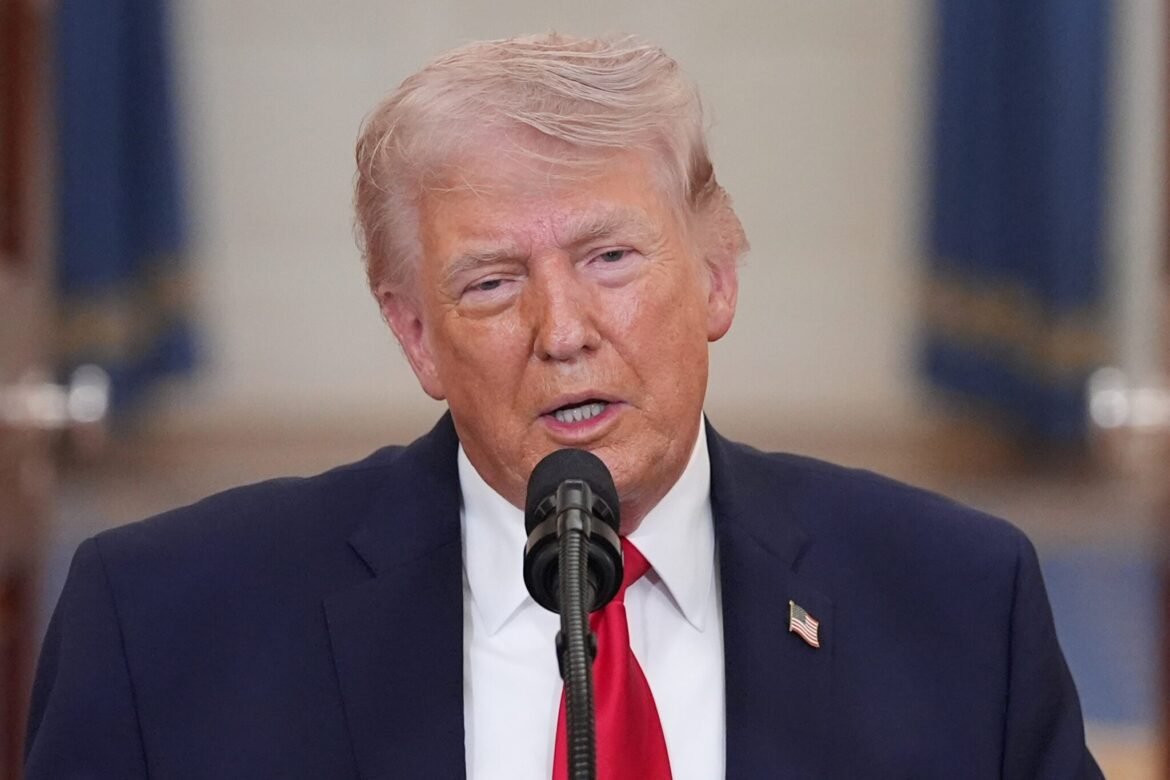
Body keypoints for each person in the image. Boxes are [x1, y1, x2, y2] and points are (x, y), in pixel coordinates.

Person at [25, 33, 1101, 779]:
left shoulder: (961, 604)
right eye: (492, 282)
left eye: (612, 257)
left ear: (719, 277)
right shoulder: (165, 626)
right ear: (415, 335)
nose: (564, 329)